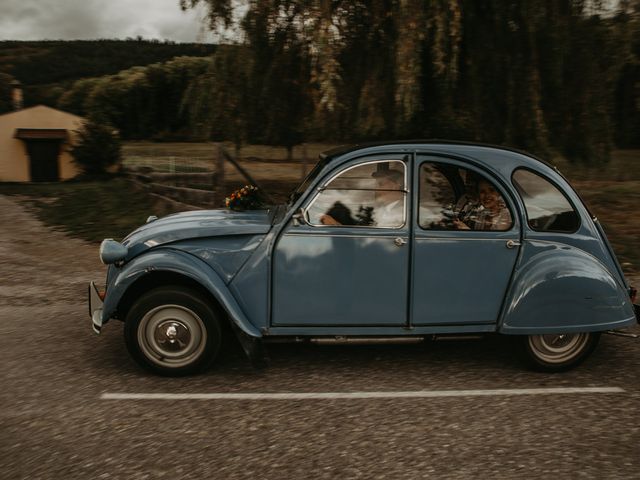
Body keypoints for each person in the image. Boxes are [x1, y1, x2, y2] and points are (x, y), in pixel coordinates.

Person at [320, 167, 405, 227]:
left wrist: (336, 225)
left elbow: (374, 240)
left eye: (380, 184)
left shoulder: (403, 212)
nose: (376, 189)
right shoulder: (381, 209)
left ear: (394, 186)